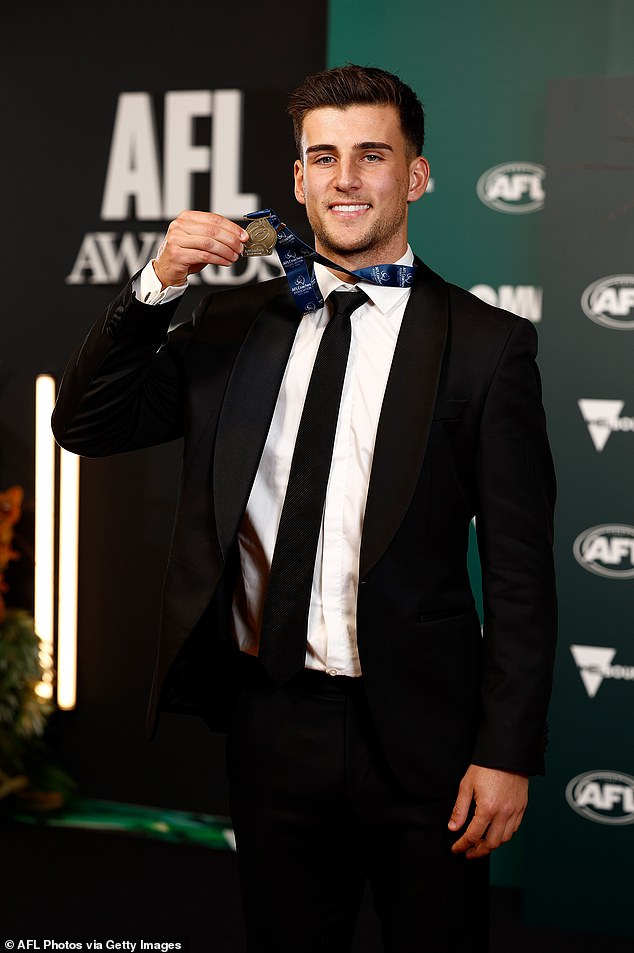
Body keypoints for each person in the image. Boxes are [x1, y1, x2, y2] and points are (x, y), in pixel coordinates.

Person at [53, 64, 557, 953]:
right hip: (272, 718)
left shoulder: (488, 348)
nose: (346, 178)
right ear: (297, 179)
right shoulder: (228, 326)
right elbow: (86, 424)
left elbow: (520, 570)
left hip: (427, 738)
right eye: (323, 157)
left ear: (417, 174)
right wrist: (157, 281)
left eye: (373, 155)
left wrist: (507, 749)